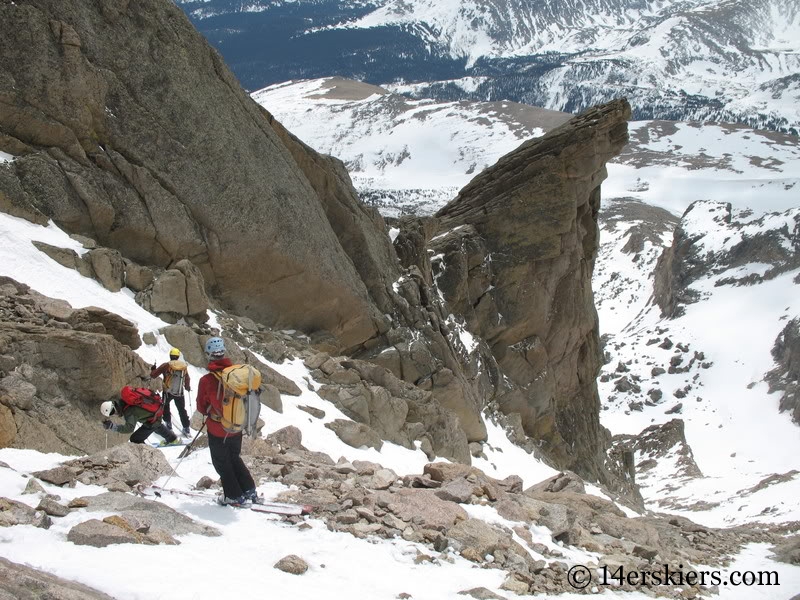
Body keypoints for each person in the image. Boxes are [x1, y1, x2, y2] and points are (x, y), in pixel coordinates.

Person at [196, 337, 259, 507]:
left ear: (209, 355)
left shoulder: (207, 380)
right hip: (237, 426)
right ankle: (249, 490)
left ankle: (233, 496)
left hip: (218, 428)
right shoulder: (237, 376)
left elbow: (201, 407)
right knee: (234, 457)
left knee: (222, 462)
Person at [100, 391, 179, 446]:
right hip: (156, 411)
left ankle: (147, 453)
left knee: (135, 439)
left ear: (114, 408)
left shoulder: (129, 412)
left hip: (153, 418)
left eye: (112, 412)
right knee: (156, 425)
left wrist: (112, 427)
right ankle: (172, 439)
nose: (114, 414)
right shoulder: (125, 401)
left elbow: (129, 428)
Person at [150, 348, 192, 436]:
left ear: (170, 356)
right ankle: (186, 427)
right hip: (179, 392)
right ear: (178, 356)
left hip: (167, 391)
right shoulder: (183, 366)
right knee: (181, 409)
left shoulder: (166, 365)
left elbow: (153, 375)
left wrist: (153, 369)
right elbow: (187, 378)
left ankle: (168, 425)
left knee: (165, 407)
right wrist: (187, 387)